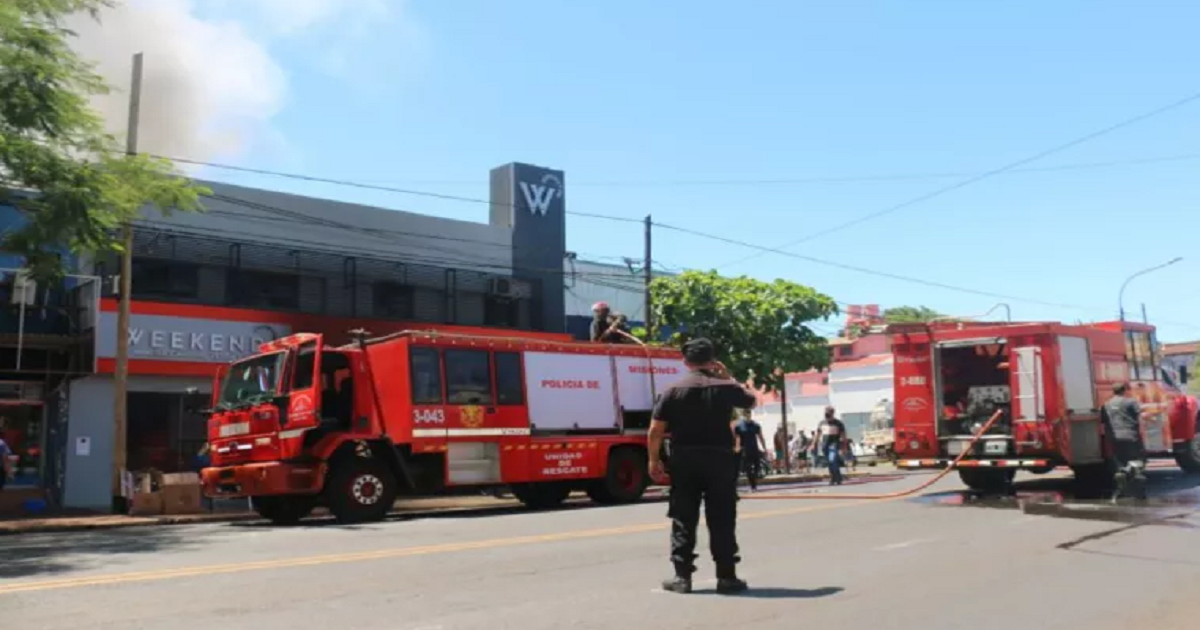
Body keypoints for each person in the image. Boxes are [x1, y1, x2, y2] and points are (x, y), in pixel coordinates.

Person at [648, 338, 756, 594]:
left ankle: (682, 577)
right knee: (722, 517)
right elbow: (750, 401)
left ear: (685, 362)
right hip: (720, 459)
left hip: (684, 460)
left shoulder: (672, 390)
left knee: (684, 517)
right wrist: (729, 377)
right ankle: (727, 577)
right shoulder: (725, 387)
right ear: (712, 360)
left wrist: (653, 460)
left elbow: (655, 430)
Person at [1100, 382, 1149, 501]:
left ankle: (1121, 489)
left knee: (1120, 463)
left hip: (1114, 438)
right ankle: (1138, 492)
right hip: (1131, 436)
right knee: (1136, 462)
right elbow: (1141, 416)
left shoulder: (1106, 405)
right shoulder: (1130, 402)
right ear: (1125, 390)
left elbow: (1103, 421)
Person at [733, 411, 766, 491]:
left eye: (749, 414)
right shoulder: (739, 426)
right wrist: (737, 447)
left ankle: (754, 481)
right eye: (746, 414)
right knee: (748, 469)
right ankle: (753, 486)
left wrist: (764, 447)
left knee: (757, 467)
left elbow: (760, 437)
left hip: (754, 449)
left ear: (750, 415)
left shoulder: (756, 425)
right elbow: (737, 438)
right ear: (743, 415)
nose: (747, 416)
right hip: (745, 450)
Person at [816, 406, 848, 485]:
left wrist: (844, 446)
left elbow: (843, 436)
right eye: (826, 414)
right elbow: (818, 434)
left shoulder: (838, 423)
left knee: (832, 460)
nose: (827, 416)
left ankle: (837, 477)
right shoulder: (822, 423)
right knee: (829, 462)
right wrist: (814, 444)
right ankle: (834, 477)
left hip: (834, 444)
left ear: (832, 413)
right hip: (825, 445)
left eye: (829, 414)